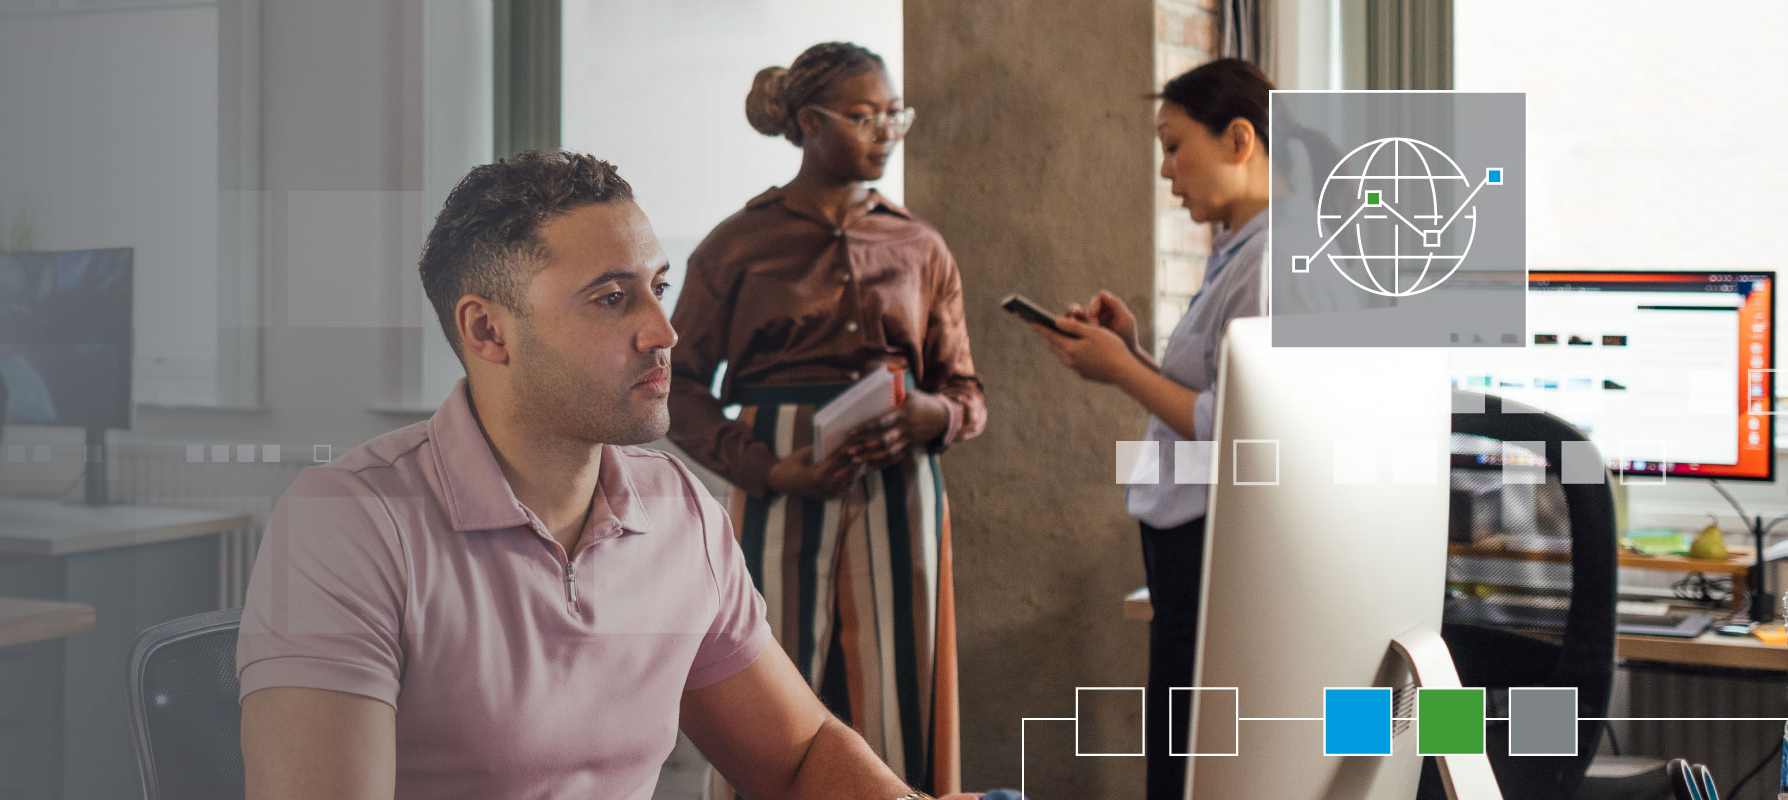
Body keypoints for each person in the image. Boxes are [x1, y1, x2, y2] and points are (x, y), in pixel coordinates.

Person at [236, 150, 994, 800]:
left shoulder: (678, 512)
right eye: (611, 298)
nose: (664, 333)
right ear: (487, 331)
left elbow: (797, 760)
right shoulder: (349, 524)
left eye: (657, 288)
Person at [664, 41, 984, 795]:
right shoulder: (737, 245)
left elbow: (967, 393)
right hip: (776, 476)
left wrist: (931, 415)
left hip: (903, 485)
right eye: (866, 116)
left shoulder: (920, 244)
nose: (887, 131)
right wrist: (765, 467)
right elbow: (675, 386)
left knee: (904, 682)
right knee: (767, 680)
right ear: (810, 122)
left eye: (894, 115)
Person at [1030, 57, 1275, 800]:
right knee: (1181, 740)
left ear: (1239, 138)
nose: (1166, 171)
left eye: (1174, 146)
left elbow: (1240, 428)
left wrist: (1122, 371)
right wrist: (1131, 353)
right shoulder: (1237, 251)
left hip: (1214, 543)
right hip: (1185, 539)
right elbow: (1209, 391)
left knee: (1194, 754)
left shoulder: (1274, 261)